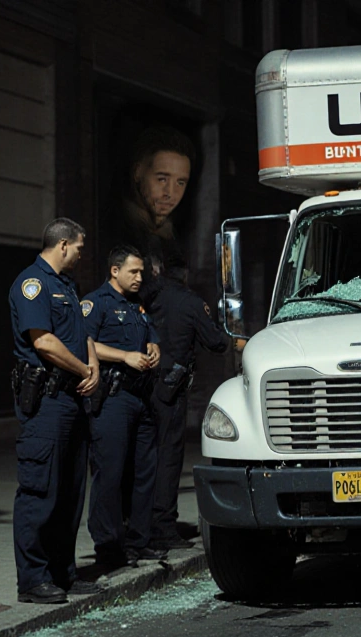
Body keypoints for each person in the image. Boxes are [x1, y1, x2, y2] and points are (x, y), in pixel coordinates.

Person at [9, 218, 104, 603]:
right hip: (47, 403)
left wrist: (93, 365)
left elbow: (82, 335)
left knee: (69, 493)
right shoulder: (33, 284)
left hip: (72, 399)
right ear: (63, 245)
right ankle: (33, 580)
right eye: (79, 247)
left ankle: (63, 573)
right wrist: (83, 369)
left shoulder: (67, 286)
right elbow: (44, 342)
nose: (81, 254)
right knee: (40, 491)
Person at [81, 245, 168, 567]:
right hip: (113, 398)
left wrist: (153, 348)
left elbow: (151, 337)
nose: (139, 277)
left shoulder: (136, 305)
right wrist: (124, 356)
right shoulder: (96, 302)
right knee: (110, 473)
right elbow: (85, 343)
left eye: (141, 272)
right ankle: (108, 545)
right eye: (133, 271)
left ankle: (138, 541)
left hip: (141, 398)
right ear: (114, 271)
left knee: (144, 472)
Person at [146, 256, 235, 550]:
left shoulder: (148, 298)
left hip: (143, 387)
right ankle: (163, 527)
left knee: (145, 457)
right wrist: (230, 335)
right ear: (184, 274)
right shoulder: (190, 302)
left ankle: (138, 524)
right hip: (171, 389)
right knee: (169, 458)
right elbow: (216, 342)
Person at [114, 126, 195, 289]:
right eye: (162, 179)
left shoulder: (172, 236)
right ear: (138, 173)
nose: (170, 193)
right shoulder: (119, 230)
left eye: (180, 182)